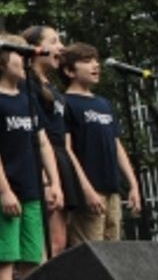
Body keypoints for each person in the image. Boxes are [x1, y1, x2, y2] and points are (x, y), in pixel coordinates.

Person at [0, 34, 63, 280]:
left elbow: (43, 142)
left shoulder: (28, 99)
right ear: (0, 61)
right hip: (3, 191)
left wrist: (54, 183)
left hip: (32, 189)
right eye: (18, 55)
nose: (25, 61)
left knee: (34, 258)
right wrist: (4, 191)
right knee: (4, 259)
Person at [60, 43, 140, 243]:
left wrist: (133, 184)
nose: (95, 66)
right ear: (70, 70)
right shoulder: (65, 103)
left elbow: (116, 145)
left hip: (112, 188)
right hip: (88, 190)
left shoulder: (103, 103)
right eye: (87, 62)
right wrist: (86, 190)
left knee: (114, 252)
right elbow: (66, 149)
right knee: (90, 257)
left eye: (96, 61)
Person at [21, 25, 89, 257]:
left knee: (61, 243)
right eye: (55, 41)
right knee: (50, 243)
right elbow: (34, 134)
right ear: (36, 49)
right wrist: (46, 177)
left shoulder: (54, 89)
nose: (62, 47)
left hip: (61, 159)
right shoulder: (27, 85)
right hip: (44, 160)